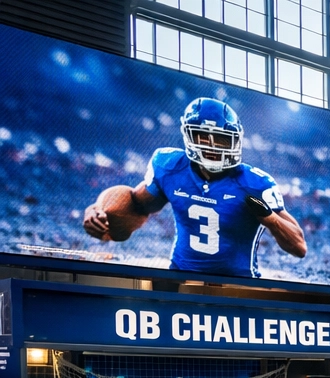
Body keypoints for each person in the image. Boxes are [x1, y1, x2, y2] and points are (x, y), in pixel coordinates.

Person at [81, 97, 306, 278]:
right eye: (203, 137)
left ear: (235, 140)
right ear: (188, 135)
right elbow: (137, 204)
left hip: (238, 286)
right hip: (180, 279)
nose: (213, 146)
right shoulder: (170, 167)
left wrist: (271, 219)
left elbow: (299, 246)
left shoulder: (255, 184)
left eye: (221, 139)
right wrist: (98, 209)